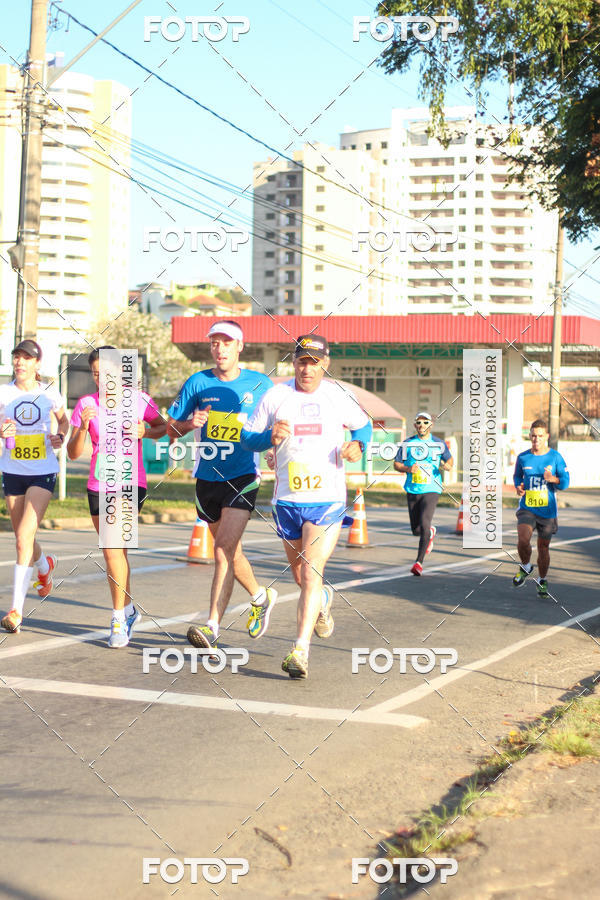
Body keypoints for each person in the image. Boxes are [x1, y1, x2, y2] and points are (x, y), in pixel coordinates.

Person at [241, 334, 372, 679]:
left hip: (327, 500)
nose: (307, 368)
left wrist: (358, 445)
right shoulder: (276, 396)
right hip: (288, 500)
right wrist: (268, 438)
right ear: (293, 362)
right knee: (301, 575)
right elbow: (247, 438)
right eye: (302, 361)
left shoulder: (337, 396)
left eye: (314, 362)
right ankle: (324, 603)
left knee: (311, 570)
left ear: (325, 364)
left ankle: (300, 650)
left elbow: (365, 427)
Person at [166, 320, 275, 652]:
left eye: (227, 342)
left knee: (222, 550)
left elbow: (275, 422)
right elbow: (170, 427)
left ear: (240, 346)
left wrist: (273, 448)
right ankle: (260, 597)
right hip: (206, 480)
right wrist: (189, 423)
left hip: (243, 477)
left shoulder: (260, 384)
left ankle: (212, 625)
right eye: (215, 342)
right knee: (231, 551)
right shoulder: (198, 382)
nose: (220, 348)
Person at [67, 346, 166, 647]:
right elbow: (72, 454)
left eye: (106, 373)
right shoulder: (86, 404)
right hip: (99, 485)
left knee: (112, 548)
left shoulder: (139, 400)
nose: (101, 379)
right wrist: (82, 428)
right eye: (96, 374)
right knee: (116, 553)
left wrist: (145, 432)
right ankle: (130, 609)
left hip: (130, 482)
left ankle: (117, 620)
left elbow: (164, 426)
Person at [0, 340, 69, 634]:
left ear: (37, 364)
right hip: (12, 469)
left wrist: (60, 437)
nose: (20, 362)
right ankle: (44, 566)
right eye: (17, 357)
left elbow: (64, 422)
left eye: (27, 358)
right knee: (22, 538)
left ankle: (16, 611)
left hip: (43, 470)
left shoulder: (50, 394)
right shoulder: (3, 392)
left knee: (22, 538)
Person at [512, 419, 569, 597]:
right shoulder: (523, 457)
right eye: (534, 435)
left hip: (547, 511)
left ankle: (542, 580)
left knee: (543, 547)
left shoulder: (555, 457)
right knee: (523, 539)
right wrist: (518, 487)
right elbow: (516, 477)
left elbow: (566, 482)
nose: (536, 439)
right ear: (529, 435)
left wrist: (553, 479)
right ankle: (527, 566)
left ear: (547, 437)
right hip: (528, 507)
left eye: (540, 436)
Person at [393, 412, 453, 576]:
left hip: (432, 488)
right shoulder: (407, 444)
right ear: (415, 425)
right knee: (416, 529)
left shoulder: (438, 443)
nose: (422, 426)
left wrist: (447, 466)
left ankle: (418, 563)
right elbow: (396, 464)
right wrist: (408, 468)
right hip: (413, 489)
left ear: (431, 425)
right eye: (418, 423)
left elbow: (449, 461)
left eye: (425, 422)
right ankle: (430, 533)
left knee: (425, 522)